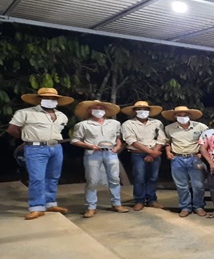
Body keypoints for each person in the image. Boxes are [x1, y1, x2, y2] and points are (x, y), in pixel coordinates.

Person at [7, 87, 73, 220]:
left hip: (56, 147)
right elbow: (12, 129)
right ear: (39, 100)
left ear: (57, 101)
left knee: (53, 177)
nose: (50, 100)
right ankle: (36, 207)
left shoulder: (61, 116)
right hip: (35, 148)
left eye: (53, 99)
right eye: (46, 98)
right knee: (37, 178)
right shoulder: (25, 113)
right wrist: (26, 138)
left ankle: (50, 203)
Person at [70, 99, 129, 218]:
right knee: (92, 180)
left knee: (114, 179)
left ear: (105, 111)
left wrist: (117, 147)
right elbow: (74, 140)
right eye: (95, 108)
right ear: (90, 110)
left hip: (110, 153)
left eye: (101, 108)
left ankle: (116, 203)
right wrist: (89, 145)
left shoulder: (114, 123)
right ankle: (91, 206)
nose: (99, 111)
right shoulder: (83, 125)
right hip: (92, 153)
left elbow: (118, 137)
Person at [120, 100, 167, 211]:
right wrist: (151, 152)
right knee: (139, 177)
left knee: (153, 178)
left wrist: (153, 153)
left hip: (155, 152)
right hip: (138, 154)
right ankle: (139, 200)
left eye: (145, 109)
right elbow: (131, 140)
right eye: (139, 109)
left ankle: (152, 199)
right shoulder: (128, 124)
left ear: (149, 111)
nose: (142, 111)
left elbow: (161, 139)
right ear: (135, 111)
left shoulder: (157, 123)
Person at [163, 106, 209, 217]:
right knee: (181, 185)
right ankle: (185, 207)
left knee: (198, 185)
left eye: (185, 115)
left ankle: (199, 206)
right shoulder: (169, 128)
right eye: (179, 115)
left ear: (190, 116)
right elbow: (167, 142)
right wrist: (168, 152)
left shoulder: (201, 127)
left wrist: (201, 153)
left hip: (194, 158)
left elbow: (207, 141)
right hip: (177, 158)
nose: (182, 117)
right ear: (175, 116)